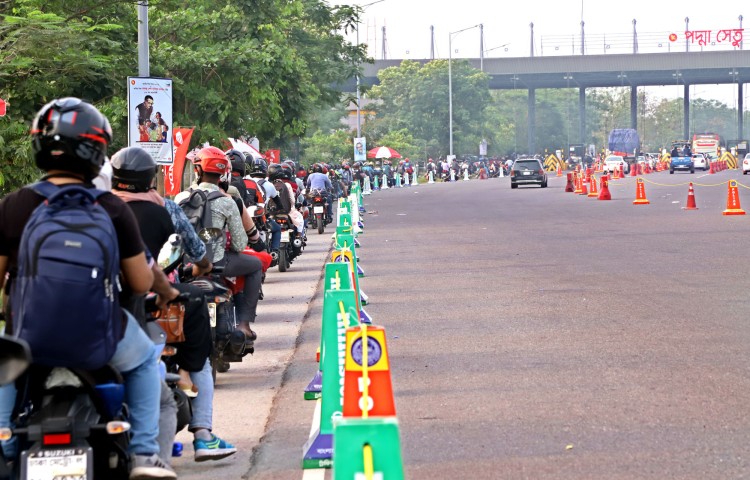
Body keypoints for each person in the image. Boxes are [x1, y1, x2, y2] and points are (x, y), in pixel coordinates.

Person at [0, 98, 176, 479]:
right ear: (97, 152)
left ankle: (5, 442)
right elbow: (142, 281)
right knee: (146, 360)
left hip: (28, 334)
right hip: (99, 334)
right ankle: (146, 454)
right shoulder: (112, 208)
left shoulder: (13, 205)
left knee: (3, 363)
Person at [110, 146, 237, 463]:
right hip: (148, 296)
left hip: (99, 303)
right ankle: (202, 432)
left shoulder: (99, 207)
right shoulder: (164, 207)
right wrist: (202, 267)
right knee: (196, 324)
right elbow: (194, 252)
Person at [175, 147, 263, 342]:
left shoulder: (180, 198)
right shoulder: (228, 201)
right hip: (219, 264)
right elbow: (240, 244)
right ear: (223, 173)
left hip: (188, 266)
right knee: (256, 266)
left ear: (198, 171)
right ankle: (244, 325)